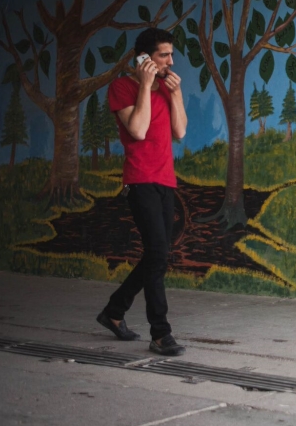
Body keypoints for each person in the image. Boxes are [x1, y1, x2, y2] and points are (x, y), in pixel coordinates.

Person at [96, 28, 188, 357]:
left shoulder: (166, 87)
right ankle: (161, 333)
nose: (171, 61)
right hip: (140, 180)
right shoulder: (121, 87)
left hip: (165, 181)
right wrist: (146, 86)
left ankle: (114, 311)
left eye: (171, 55)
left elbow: (179, 132)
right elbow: (137, 130)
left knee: (156, 255)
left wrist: (175, 95)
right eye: (164, 55)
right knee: (158, 254)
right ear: (145, 58)